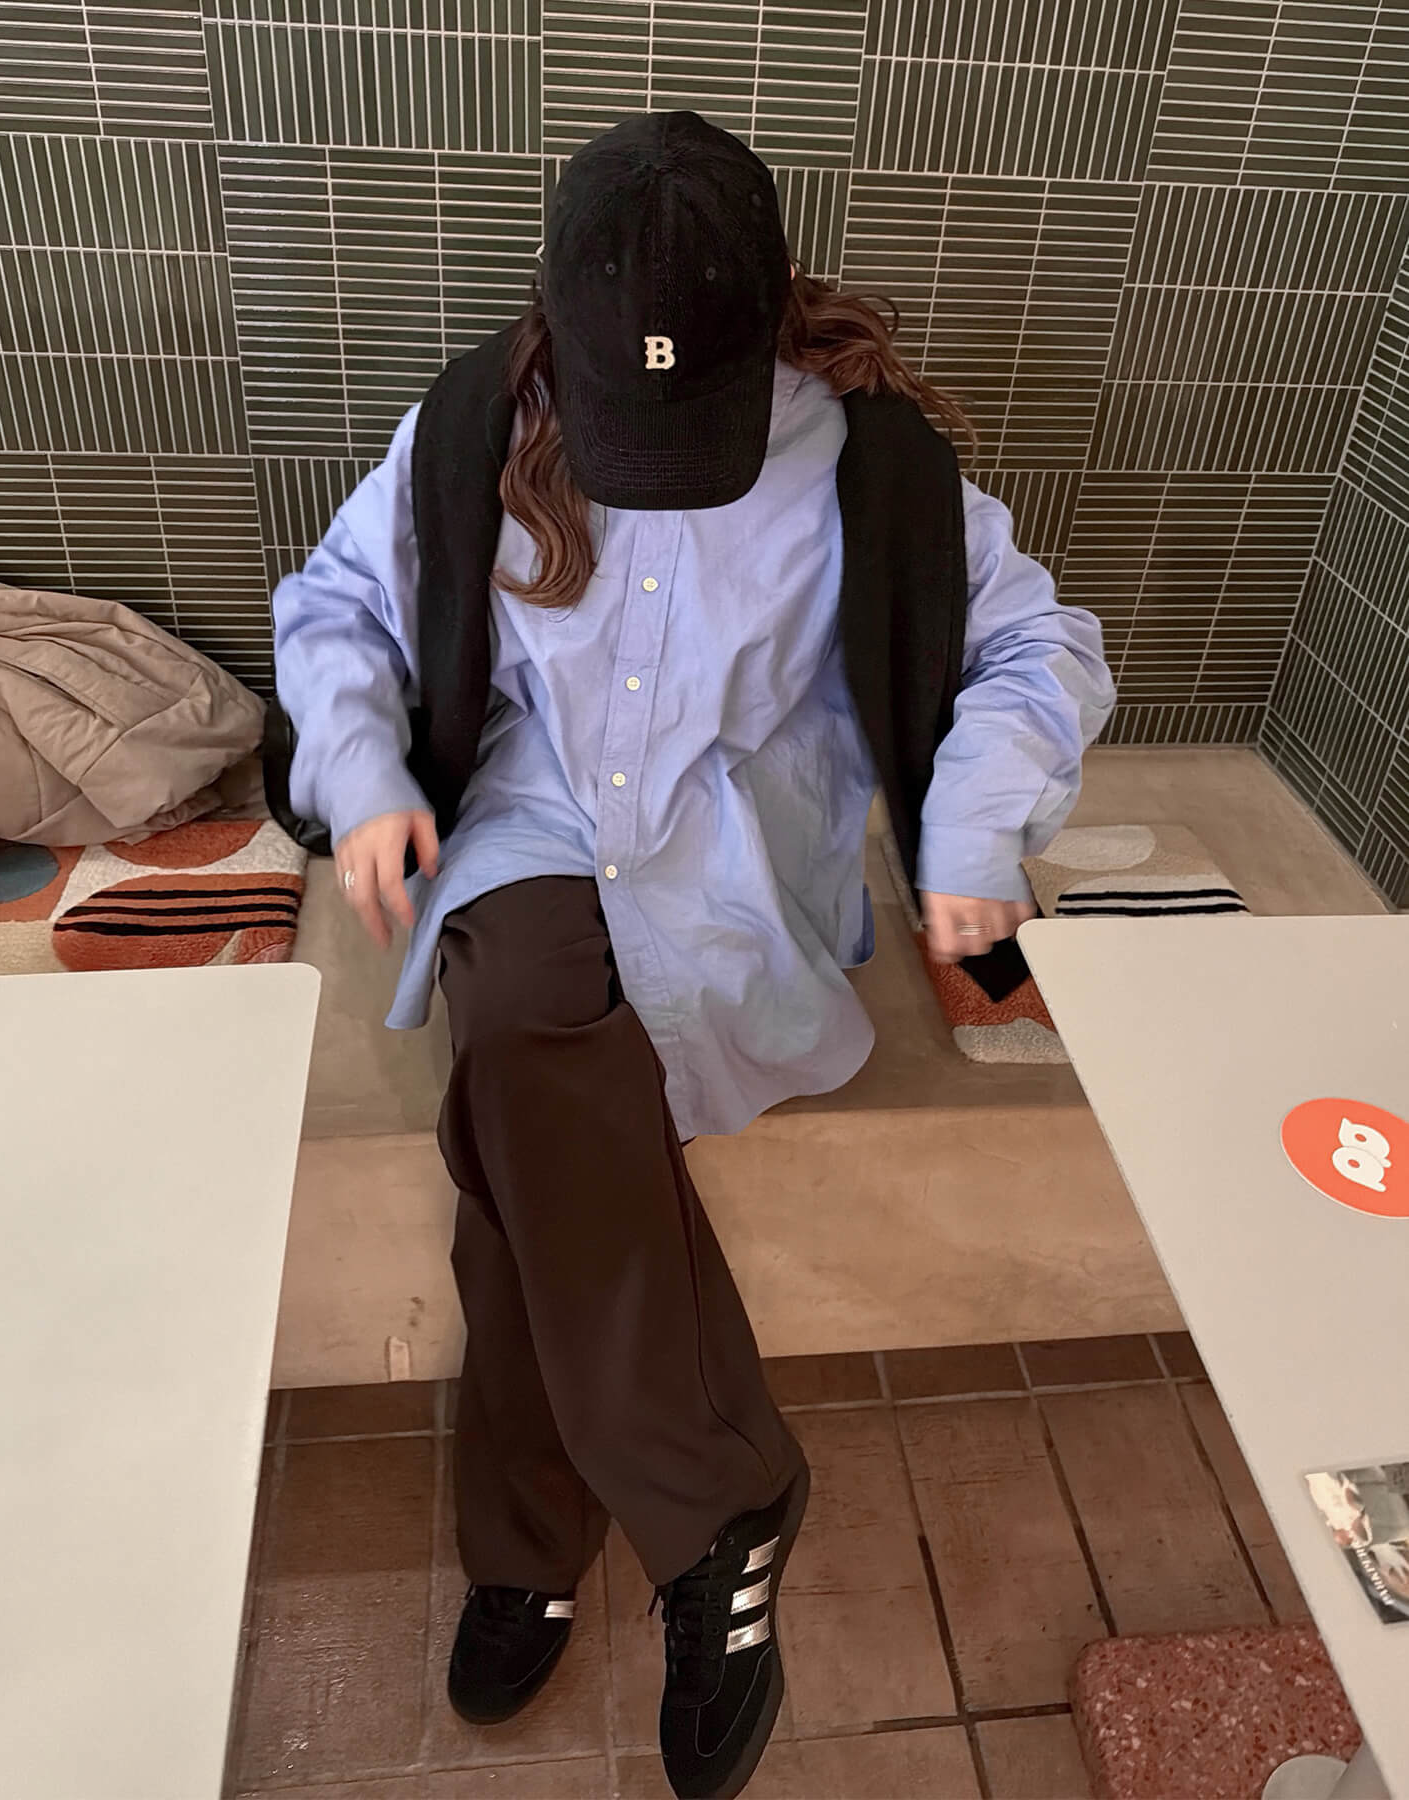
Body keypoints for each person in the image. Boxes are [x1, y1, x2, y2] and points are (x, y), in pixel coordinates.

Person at [271, 110, 1114, 1800]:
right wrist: (362, 776)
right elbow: (336, 607)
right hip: (527, 814)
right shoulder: (474, 426)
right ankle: (717, 1505)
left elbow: (1044, 649)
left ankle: (531, 1540)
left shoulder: (869, 465)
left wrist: (969, 836)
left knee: (518, 1135)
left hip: (735, 862)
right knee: (524, 1008)